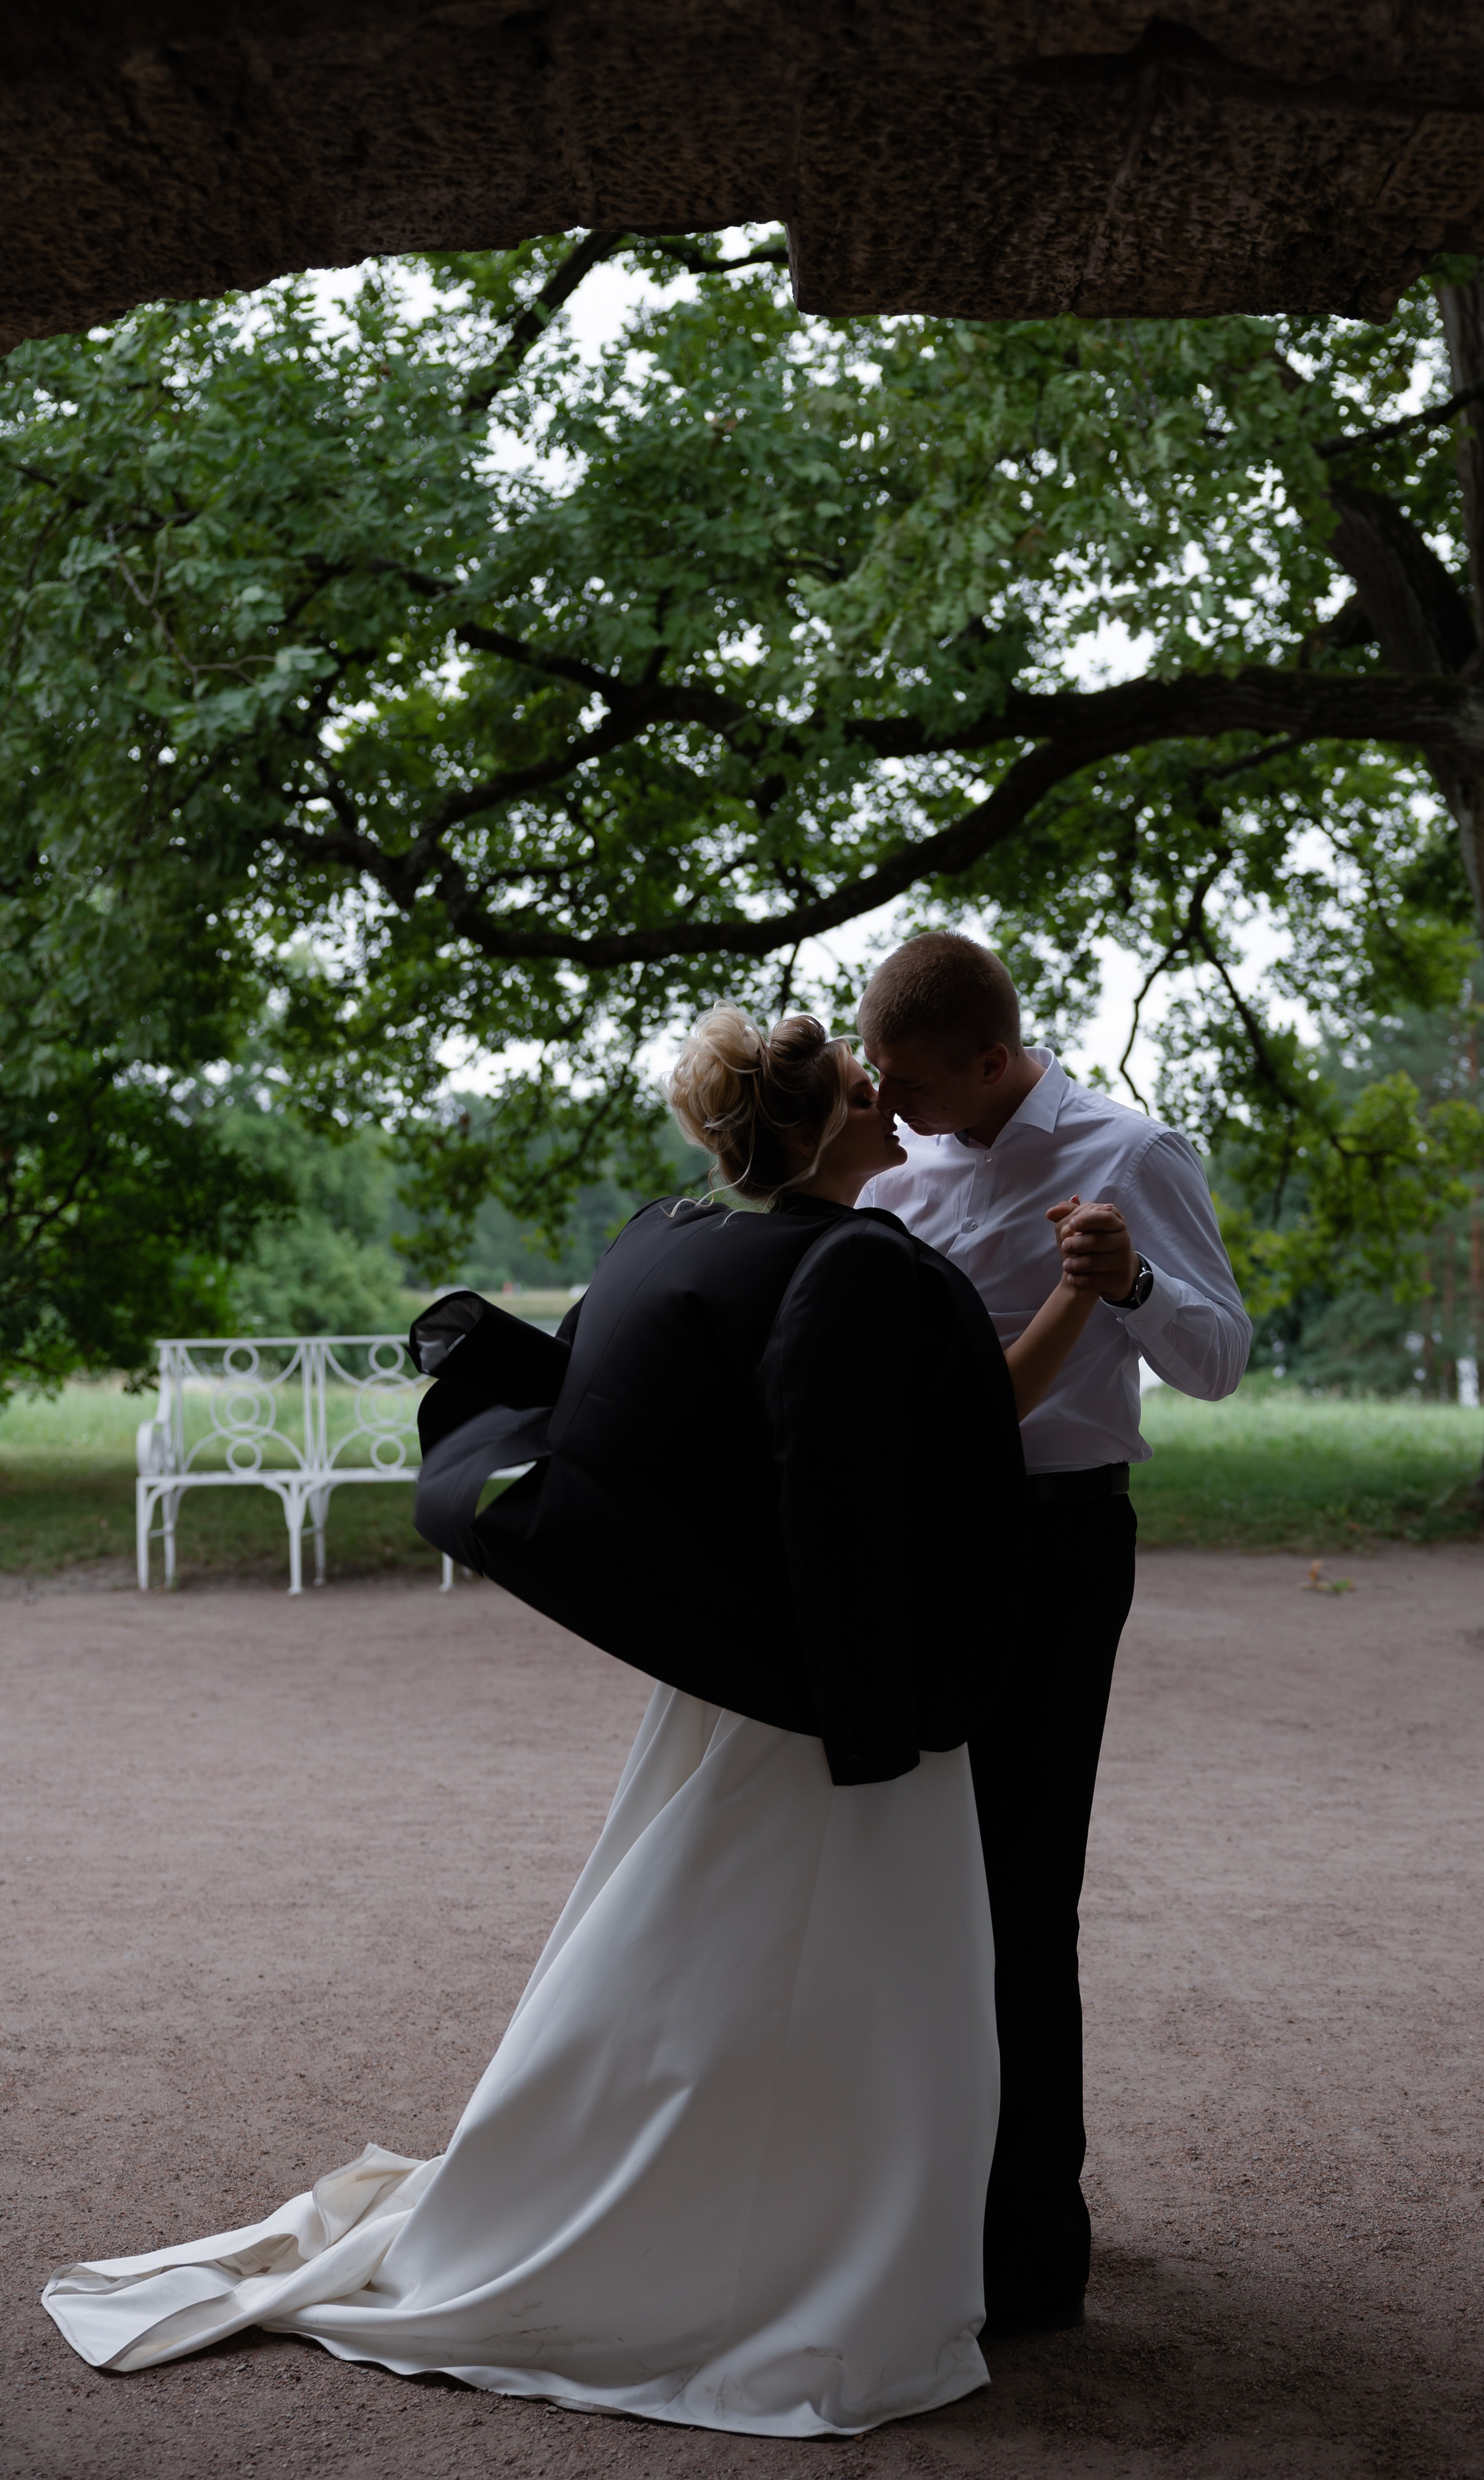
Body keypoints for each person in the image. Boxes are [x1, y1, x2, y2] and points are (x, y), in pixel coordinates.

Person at [43, 1008, 1117, 2440]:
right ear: (824, 1129)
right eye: (870, 1093)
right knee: (856, 1979)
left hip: (736, 1671)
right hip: (833, 1685)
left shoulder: (674, 1235)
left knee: (712, 1951)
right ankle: (811, 2254)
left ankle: (744, 2209)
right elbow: (877, 1485)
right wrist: (884, 1713)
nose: (892, 1109)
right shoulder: (857, 1263)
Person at [855, 932, 1251, 2338]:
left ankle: (1028, 2253)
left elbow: (1220, 1360)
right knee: (911, 1884)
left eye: (906, 1081)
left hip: (1055, 1546)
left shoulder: (1130, 1155)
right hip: (915, 1548)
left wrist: (1133, 1286)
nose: (884, 1103)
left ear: (991, 1058)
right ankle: (915, 2210)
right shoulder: (893, 1168)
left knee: (1023, 1893)